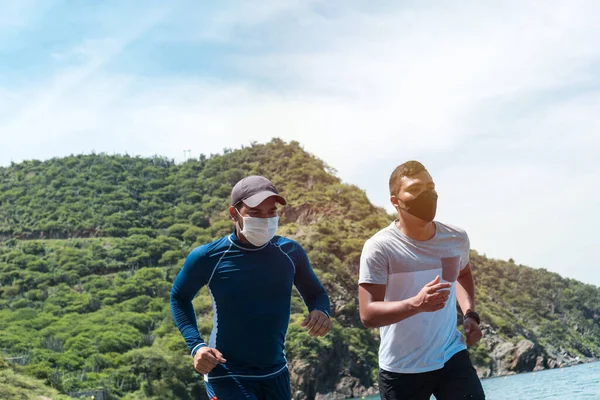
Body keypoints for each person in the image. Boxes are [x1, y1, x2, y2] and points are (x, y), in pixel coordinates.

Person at [171, 175, 332, 400]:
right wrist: (196, 346)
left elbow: (317, 295)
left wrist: (321, 311)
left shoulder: (290, 252)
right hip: (227, 372)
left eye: (272, 212)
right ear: (234, 214)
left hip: (276, 373)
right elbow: (179, 297)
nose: (265, 219)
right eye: (256, 213)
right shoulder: (208, 256)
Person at [358, 161, 485, 400]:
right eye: (415, 189)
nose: (426, 194)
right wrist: (417, 303)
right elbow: (367, 314)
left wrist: (470, 314)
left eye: (430, 186)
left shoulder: (455, 238)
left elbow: (463, 274)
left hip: (450, 355)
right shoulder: (380, 247)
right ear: (395, 201)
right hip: (402, 367)